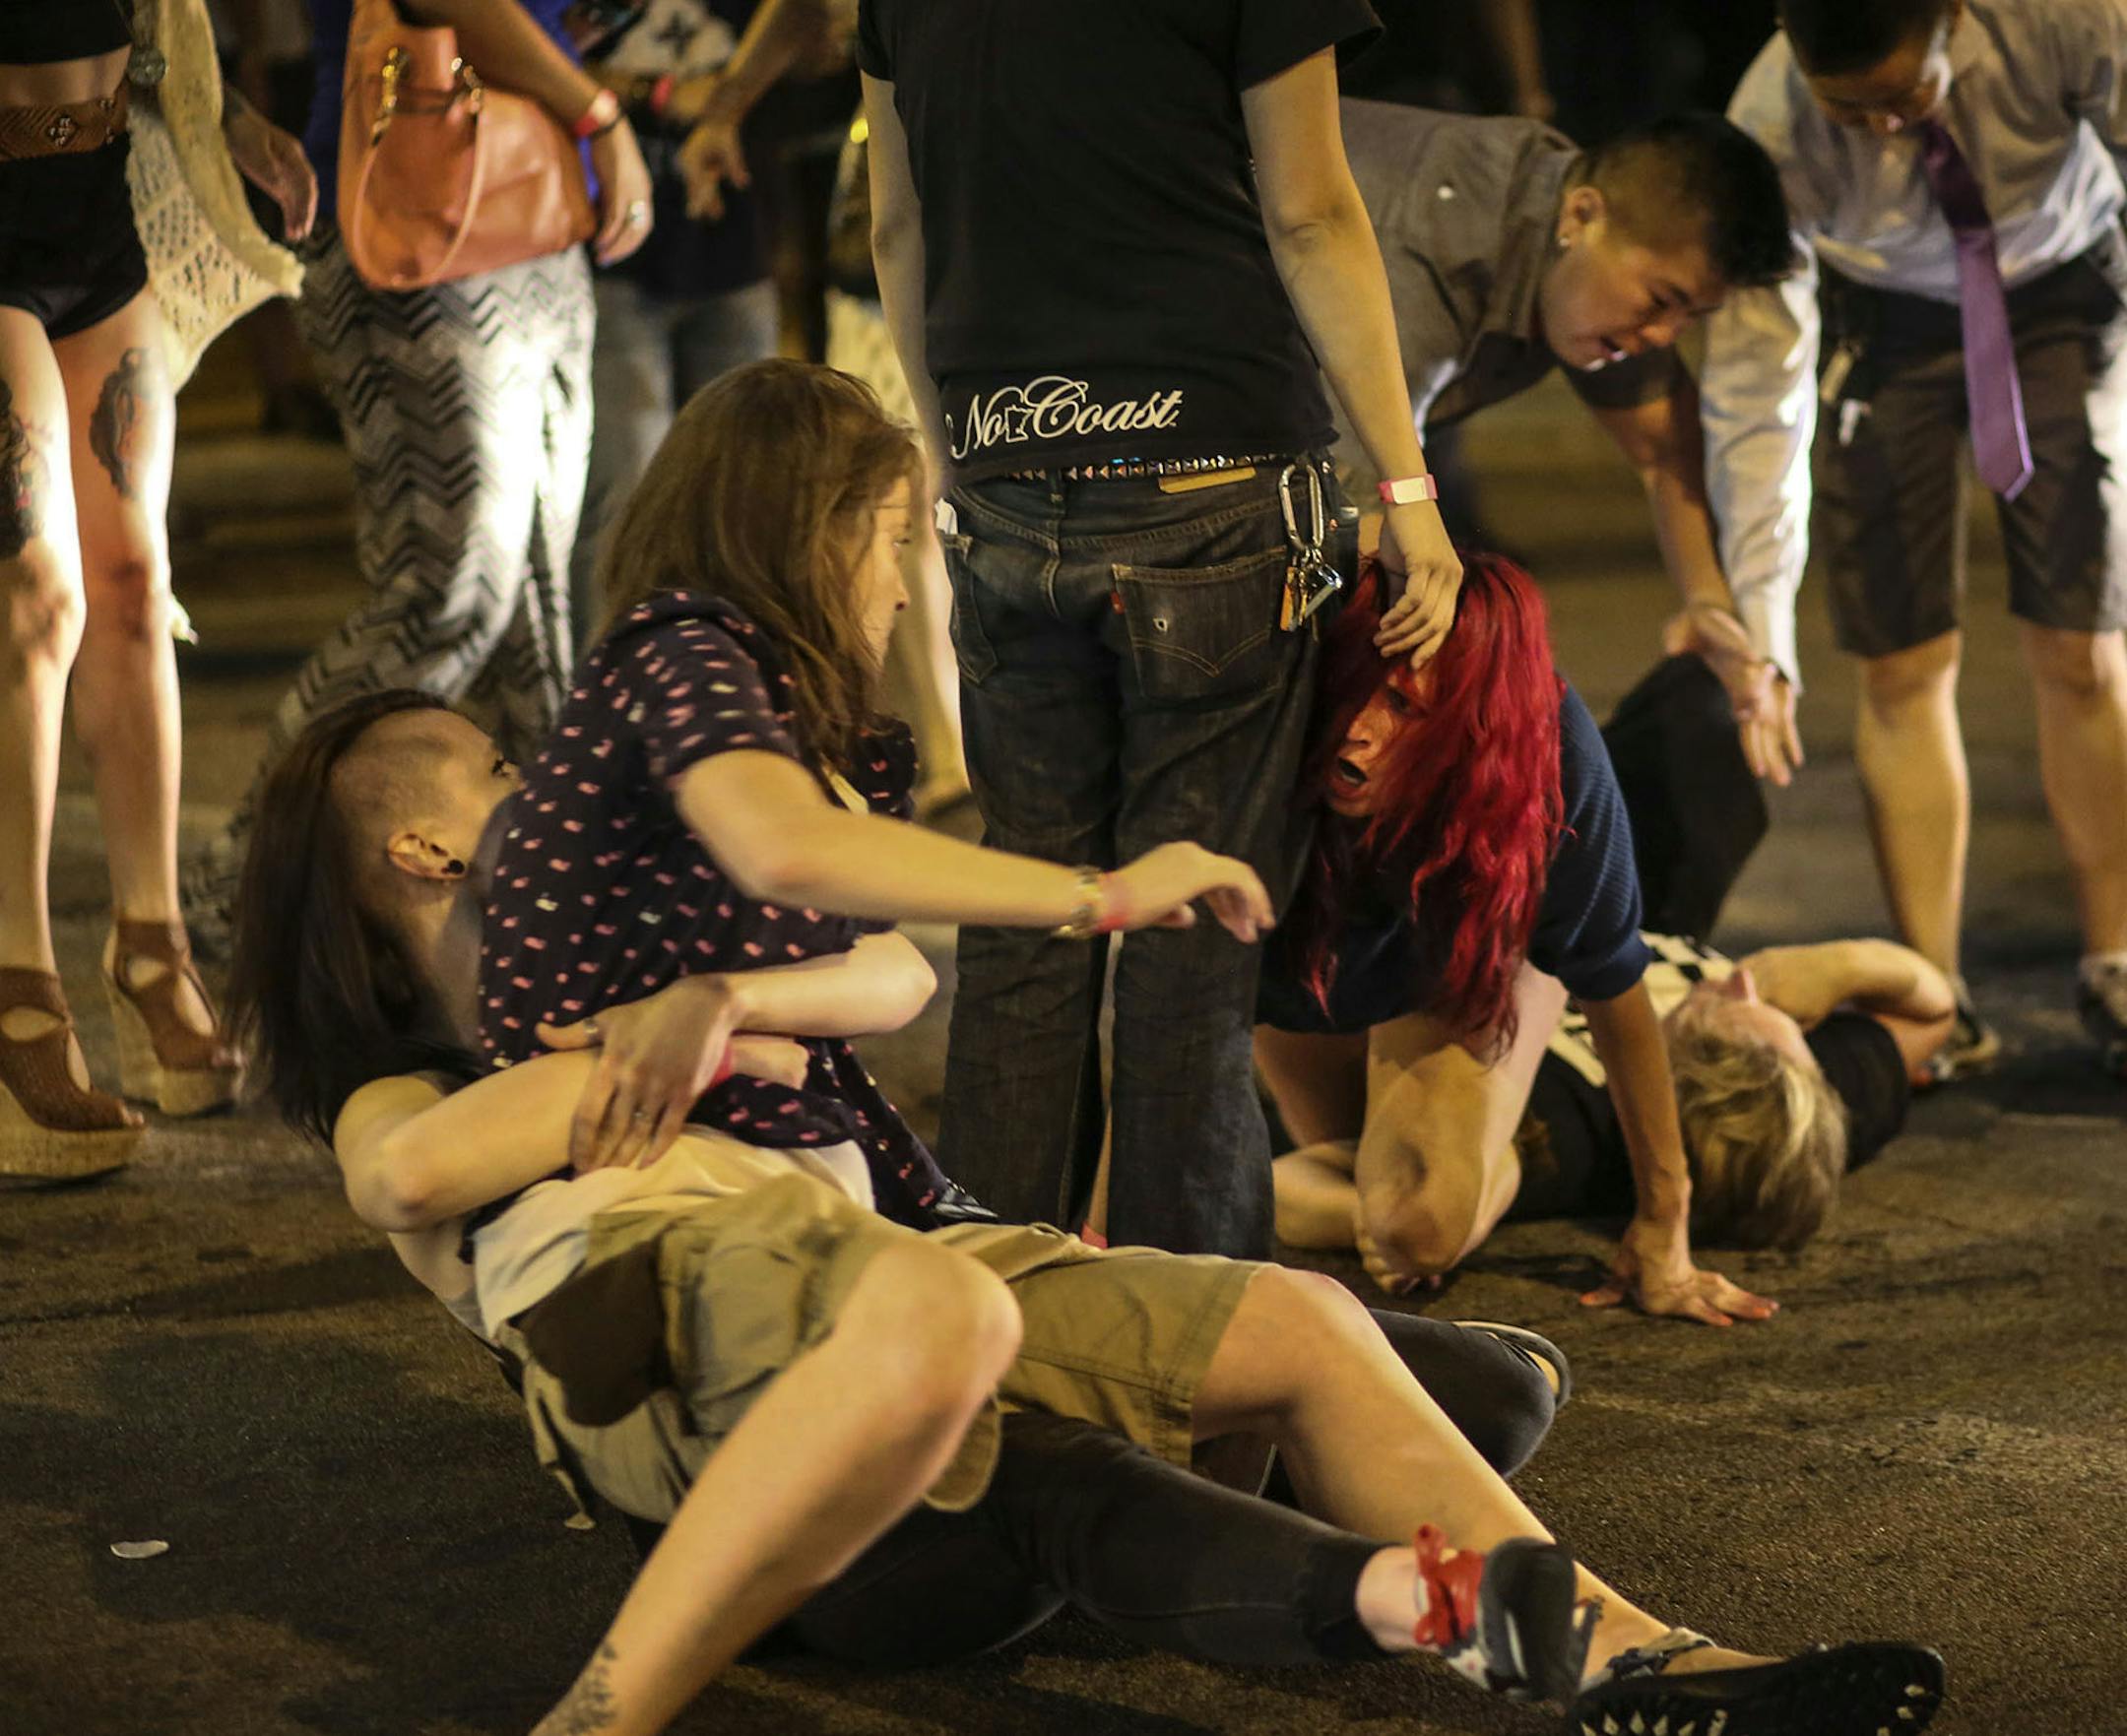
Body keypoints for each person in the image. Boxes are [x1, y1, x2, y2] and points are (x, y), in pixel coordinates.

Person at [222, 694, 1950, 1736]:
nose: (550, 783)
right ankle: (1458, 1609)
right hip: (799, 1474)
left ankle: (1642, 1652)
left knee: (1372, 1346)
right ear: (430, 856)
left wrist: (717, 996)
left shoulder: (650, 950)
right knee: (1070, 1470)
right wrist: (707, 1026)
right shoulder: (405, 1082)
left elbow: (890, 970)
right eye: (502, 769)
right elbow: (405, 1176)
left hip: (930, 1281)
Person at [861, 0, 1468, 1263]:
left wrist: (957, 455)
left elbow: (897, 225)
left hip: (1006, 473)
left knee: (1027, 919)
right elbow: (1311, 214)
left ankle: (992, 1305)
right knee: (1193, 939)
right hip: (1212, 479)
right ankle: (1182, 1324)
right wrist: (1407, 489)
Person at [1698, 0, 2127, 1081]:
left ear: (1953, 16)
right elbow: (1755, 386)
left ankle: (2119, 959)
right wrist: (1762, 624)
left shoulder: (2065, 19)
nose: (1884, 127)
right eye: (1852, 110)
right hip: (1882, 319)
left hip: (2063, 289)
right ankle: (1932, 995)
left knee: (2081, 647)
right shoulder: (1772, 121)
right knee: (1900, 660)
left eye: (1904, 95)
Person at [177, 0, 658, 940]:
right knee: (450, 592)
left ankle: (551, 905)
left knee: (537, 604)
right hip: (409, 201)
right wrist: (598, 112)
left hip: (535, 199)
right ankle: (246, 886)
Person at [1254, 553, 1776, 1322]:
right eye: (1353, 690)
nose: (1356, 731)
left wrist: (1665, 1222)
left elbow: (1616, 984)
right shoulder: (1278, 707)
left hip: (1452, 953)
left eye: (1400, 704)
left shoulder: (1549, 769)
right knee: (1336, 1157)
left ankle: (1526, 990)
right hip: (1308, 959)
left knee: (1417, 1227)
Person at [0, 0, 311, 1175]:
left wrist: (226, 117)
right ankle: (15, 985)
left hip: (97, 211)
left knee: (133, 580)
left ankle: (150, 946)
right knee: (38, 595)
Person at [1336, 101, 1805, 783]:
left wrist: (1706, 601)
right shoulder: (1432, 246)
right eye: (1660, 300)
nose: (1661, 336)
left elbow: (1664, 452)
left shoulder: (1590, 262)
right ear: (1581, 216)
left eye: (1689, 318)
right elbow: (1351, 508)